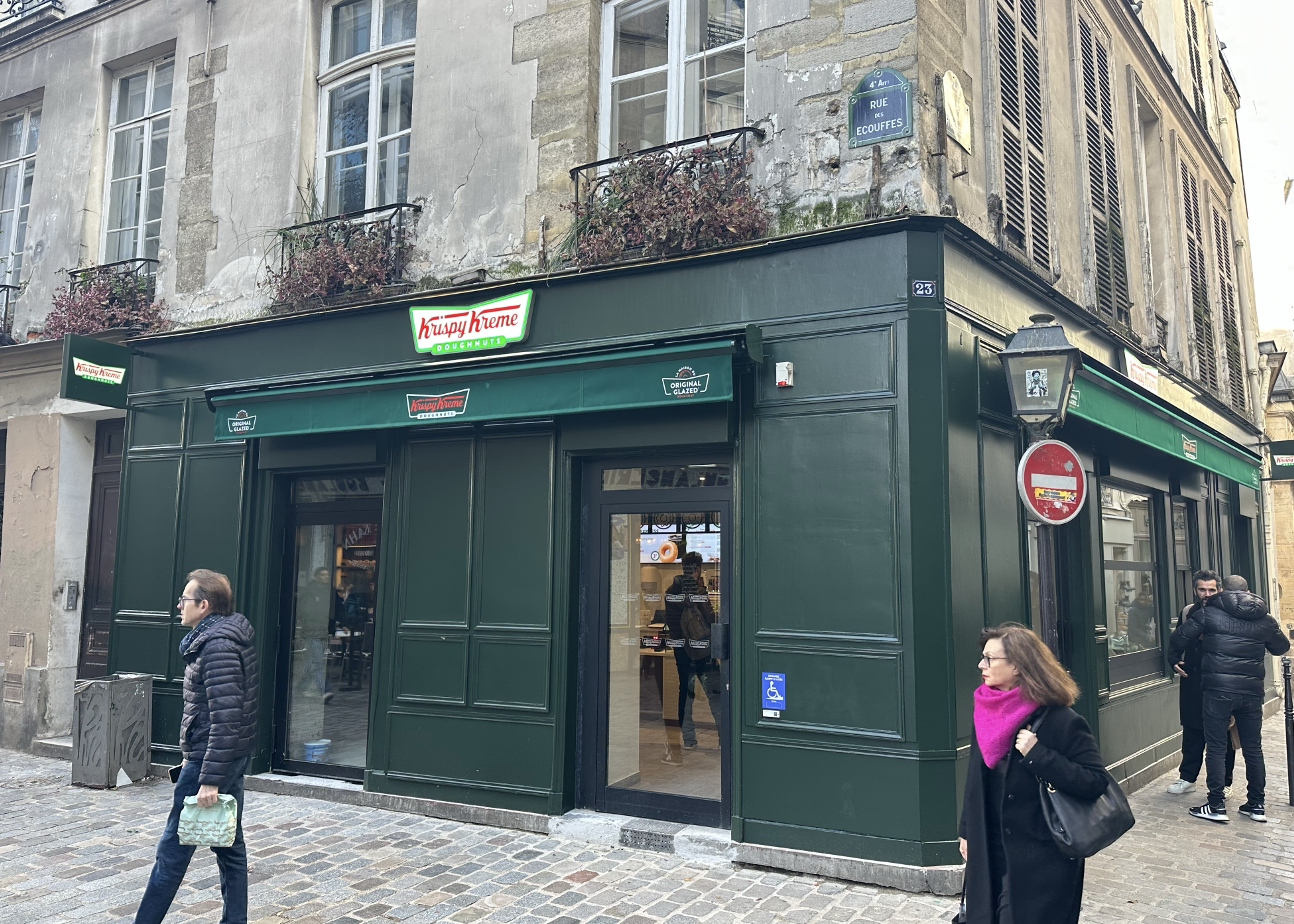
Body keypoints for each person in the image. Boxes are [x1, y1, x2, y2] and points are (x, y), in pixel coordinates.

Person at [958, 623, 1107, 924]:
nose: (981, 665)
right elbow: (975, 779)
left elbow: (1095, 781)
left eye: (989, 658)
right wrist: (967, 830)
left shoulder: (1061, 719)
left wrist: (1040, 756)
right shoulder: (985, 712)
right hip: (989, 846)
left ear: (1017, 665)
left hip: (1041, 856)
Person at [134, 569, 259, 924]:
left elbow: (227, 717)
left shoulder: (217, 646)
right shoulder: (220, 639)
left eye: (184, 599)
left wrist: (210, 779)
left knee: (172, 851)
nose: (179, 605)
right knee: (228, 845)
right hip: (224, 757)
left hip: (209, 759)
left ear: (204, 605)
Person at [1169, 574, 1289, 823]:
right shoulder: (1264, 618)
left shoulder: (1209, 613)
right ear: (1248, 591)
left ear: (1223, 590)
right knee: (1253, 748)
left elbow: (1179, 637)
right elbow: (1281, 647)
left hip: (1218, 691)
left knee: (1216, 746)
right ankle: (1256, 805)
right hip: (1251, 691)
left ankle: (1216, 805)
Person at [1166, 570, 1235, 795]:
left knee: (1223, 733)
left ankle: (1224, 783)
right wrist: (1173, 660)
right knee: (1192, 731)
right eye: (1202, 589)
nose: (1207, 594)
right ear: (1195, 590)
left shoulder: (1229, 613)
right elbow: (1175, 643)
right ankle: (1187, 778)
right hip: (1193, 679)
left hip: (1221, 680)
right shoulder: (1188, 612)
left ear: (1219, 590)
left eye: (1211, 589)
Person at [663, 551, 721, 761]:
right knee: (715, 695)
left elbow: (671, 624)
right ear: (697, 569)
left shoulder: (670, 592)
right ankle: (724, 738)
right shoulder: (698, 592)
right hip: (702, 651)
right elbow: (710, 620)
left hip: (682, 652)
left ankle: (688, 740)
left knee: (685, 695)